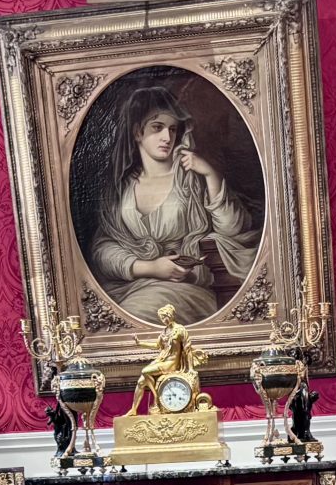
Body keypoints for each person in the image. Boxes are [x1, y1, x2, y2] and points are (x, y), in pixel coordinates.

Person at [87, 84, 258, 324]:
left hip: (184, 289)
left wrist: (211, 176)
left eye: (173, 129)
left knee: (139, 313)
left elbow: (232, 229)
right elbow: (103, 249)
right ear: (137, 132)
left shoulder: (191, 178)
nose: (167, 137)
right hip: (130, 287)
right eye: (157, 127)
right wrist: (149, 268)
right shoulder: (122, 189)